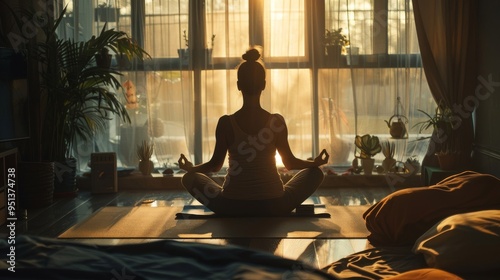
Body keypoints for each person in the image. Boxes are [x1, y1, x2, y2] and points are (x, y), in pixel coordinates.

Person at [178, 48, 329, 216]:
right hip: (275, 205)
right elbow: (290, 163)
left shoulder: (226, 122)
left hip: (231, 206)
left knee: (189, 178)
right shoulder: (276, 121)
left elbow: (215, 166)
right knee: (315, 174)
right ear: (263, 85)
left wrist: (191, 168)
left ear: (238, 85)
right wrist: (315, 163)